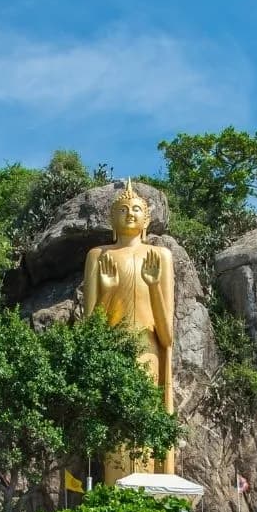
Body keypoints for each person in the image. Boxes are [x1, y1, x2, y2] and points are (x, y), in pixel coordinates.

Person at [83, 179, 176, 483]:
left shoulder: (160, 257)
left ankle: (147, 499)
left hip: (148, 351)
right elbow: (90, 333)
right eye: (122, 209)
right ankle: (115, 495)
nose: (130, 214)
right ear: (112, 218)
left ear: (147, 219)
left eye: (137, 209)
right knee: (116, 426)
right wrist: (106, 294)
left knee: (144, 423)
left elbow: (168, 336)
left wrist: (152, 286)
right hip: (113, 351)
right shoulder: (98, 256)